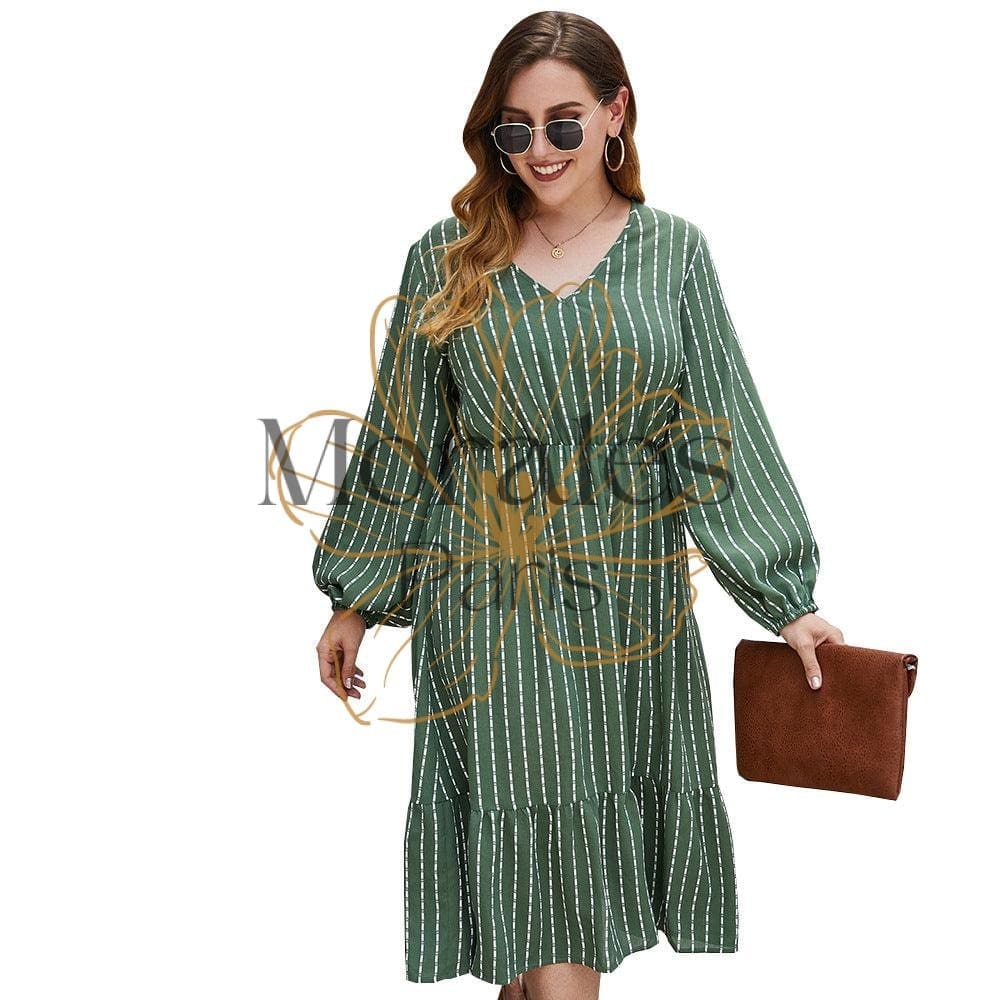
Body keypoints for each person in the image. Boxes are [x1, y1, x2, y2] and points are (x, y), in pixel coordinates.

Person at [312, 11, 843, 1000]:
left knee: (548, 925)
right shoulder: (446, 257)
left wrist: (786, 598)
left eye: (563, 123)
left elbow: (717, 426)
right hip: (489, 605)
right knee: (550, 901)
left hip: (632, 609)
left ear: (615, 113)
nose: (540, 149)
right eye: (513, 129)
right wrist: (356, 597)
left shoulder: (673, 253)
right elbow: (403, 439)